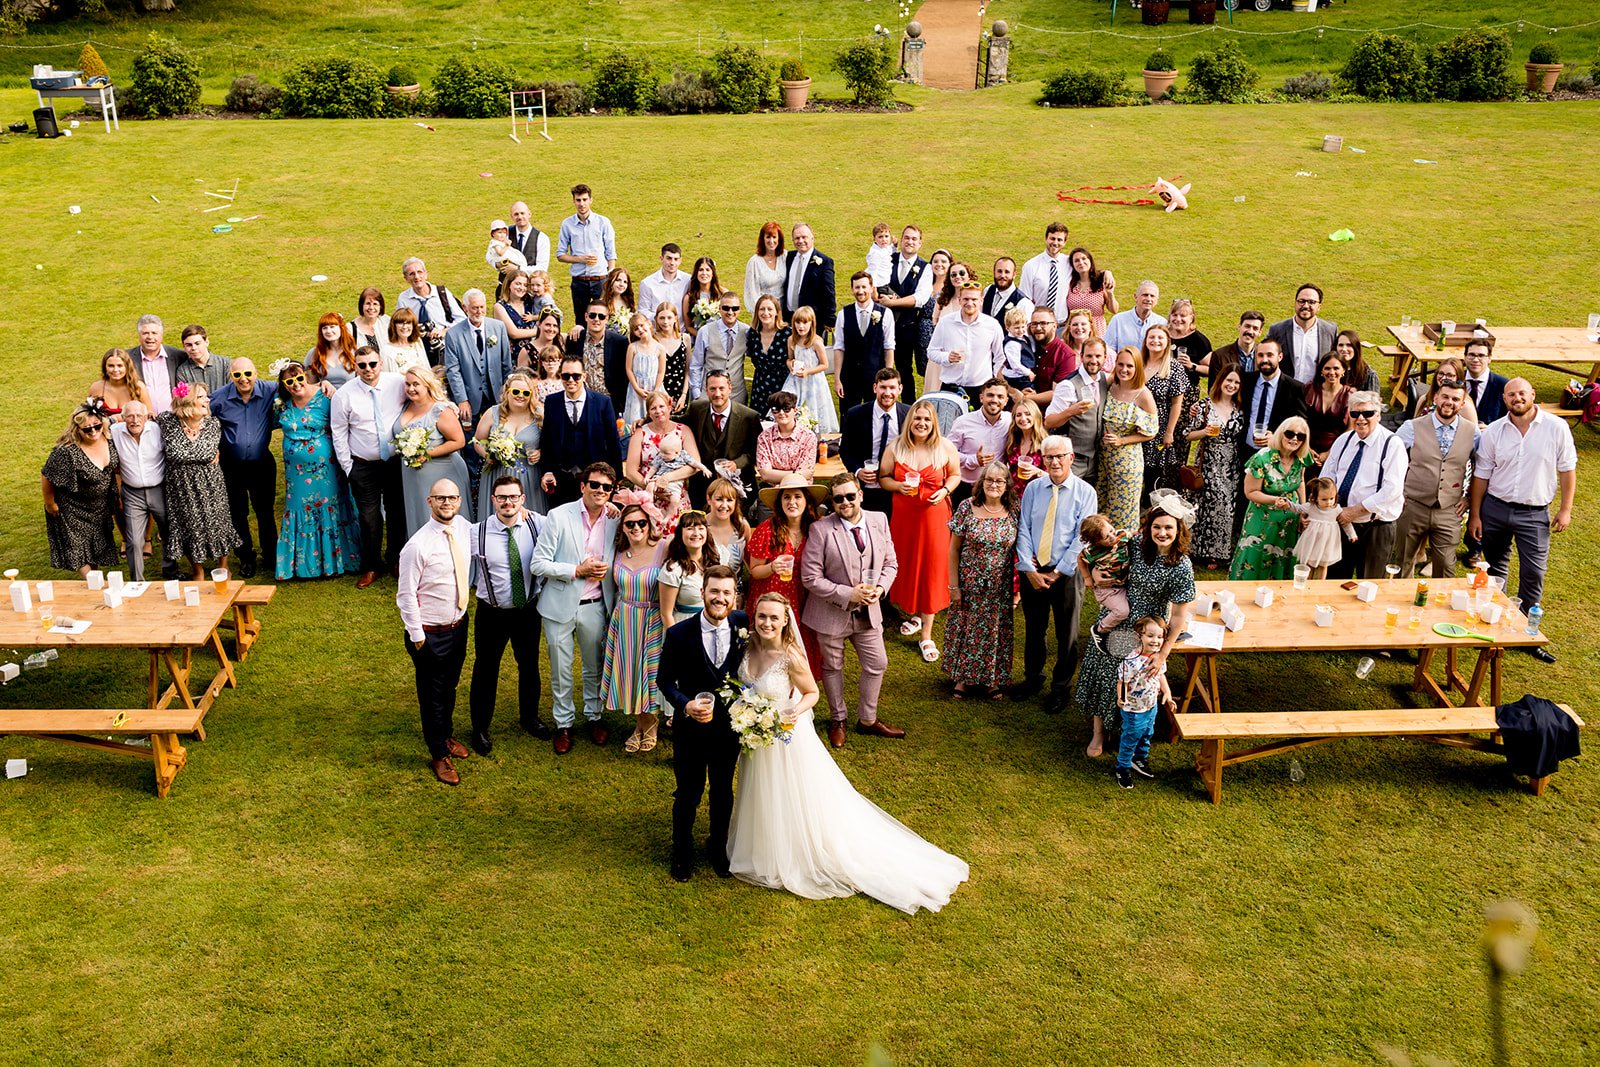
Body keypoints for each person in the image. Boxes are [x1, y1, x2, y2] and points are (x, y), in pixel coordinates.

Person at [725, 592, 969, 914]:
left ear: (786, 621)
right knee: (762, 791)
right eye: (762, 616)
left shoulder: (791, 656)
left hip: (786, 736)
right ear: (753, 617)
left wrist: (793, 711)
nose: (767, 622)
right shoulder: (747, 645)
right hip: (757, 738)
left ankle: (794, 849)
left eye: (774, 617)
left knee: (792, 794)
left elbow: (812, 693)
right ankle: (763, 846)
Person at [1075, 497, 1195, 759]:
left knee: (1137, 681)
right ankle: (1098, 731)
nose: (1162, 533)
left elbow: (1178, 617)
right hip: (1118, 620)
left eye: (1168, 528)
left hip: (1148, 632)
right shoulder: (1136, 546)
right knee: (1107, 674)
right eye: (1156, 527)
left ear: (1178, 530)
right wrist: (1093, 575)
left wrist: (1162, 653)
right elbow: (1096, 553)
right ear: (1148, 528)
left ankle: (1127, 730)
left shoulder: (1181, 566)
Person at [1469, 378, 1576, 664]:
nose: (1517, 398)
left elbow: (1567, 470)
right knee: (1494, 568)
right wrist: (1476, 514)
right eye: (1511, 394)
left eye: (1522, 393)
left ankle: (1528, 633)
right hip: (1496, 507)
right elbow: (1482, 474)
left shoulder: (1556, 428)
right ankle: (1493, 624)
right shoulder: (1494, 431)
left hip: (1534, 512)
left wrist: (1565, 509)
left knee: (1534, 573)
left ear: (1532, 395)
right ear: (1504, 400)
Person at [800, 473, 903, 748]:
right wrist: (849, 594)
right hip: (830, 613)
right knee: (833, 666)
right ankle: (838, 719)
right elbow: (810, 578)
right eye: (838, 499)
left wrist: (880, 589)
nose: (845, 502)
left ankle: (867, 720)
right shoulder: (820, 529)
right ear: (832, 503)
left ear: (861, 494)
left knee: (877, 663)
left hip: (869, 614)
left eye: (850, 496)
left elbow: (891, 563)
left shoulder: (879, 520)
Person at [657, 565, 745, 881]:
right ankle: (681, 851)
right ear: (703, 592)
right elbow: (664, 681)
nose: (719, 598)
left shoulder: (744, 625)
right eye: (714, 591)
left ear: (735, 596)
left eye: (726, 593)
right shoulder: (679, 633)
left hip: (729, 731)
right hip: (691, 731)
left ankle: (718, 848)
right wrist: (685, 705)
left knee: (723, 790)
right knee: (689, 792)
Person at [531, 461, 620, 753]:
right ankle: (564, 723)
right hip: (559, 603)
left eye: (607, 487)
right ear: (583, 486)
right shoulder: (558, 516)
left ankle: (594, 716)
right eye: (594, 485)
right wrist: (576, 570)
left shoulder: (615, 519)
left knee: (594, 666)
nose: (600, 491)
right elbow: (538, 564)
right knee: (561, 669)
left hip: (596, 604)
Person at [396, 478, 475, 786]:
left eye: (452, 498)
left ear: (459, 501)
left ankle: (445, 736)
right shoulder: (417, 546)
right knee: (432, 695)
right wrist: (418, 637)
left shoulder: (464, 529)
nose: (447, 504)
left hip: (458, 625)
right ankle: (438, 754)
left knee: (450, 687)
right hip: (429, 633)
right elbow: (406, 595)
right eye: (440, 498)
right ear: (429, 502)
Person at [1013, 436, 1098, 715]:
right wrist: (1028, 568)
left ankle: (1060, 687)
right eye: (1049, 457)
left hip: (1067, 573)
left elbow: (1082, 537)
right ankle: (1033, 679)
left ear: (1071, 458)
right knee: (1035, 630)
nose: (1054, 462)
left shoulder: (1086, 493)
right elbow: (1023, 528)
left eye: (1060, 456)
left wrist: (1059, 572)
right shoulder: (1033, 489)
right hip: (1035, 571)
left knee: (1067, 633)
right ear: (1042, 460)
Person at [880, 399, 960, 661]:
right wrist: (897, 487)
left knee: (932, 570)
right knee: (908, 566)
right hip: (905, 518)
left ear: (933, 423)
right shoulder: (897, 448)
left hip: (934, 517)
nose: (922, 423)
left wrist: (945, 491)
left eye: (927, 419)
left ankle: (926, 634)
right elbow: (884, 477)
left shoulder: (944, 447)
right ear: (909, 422)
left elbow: (955, 475)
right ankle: (915, 612)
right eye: (917, 418)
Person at [274, 362, 360, 580]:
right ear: (284, 384)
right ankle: (304, 566)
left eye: (299, 378)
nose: (296, 384)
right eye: (289, 381)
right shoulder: (281, 403)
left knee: (331, 506)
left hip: (327, 469)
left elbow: (346, 423)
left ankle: (340, 561)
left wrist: (326, 382)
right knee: (297, 508)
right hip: (297, 473)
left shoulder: (327, 397)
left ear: (306, 376)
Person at [332, 345, 407, 588]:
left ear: (380, 364)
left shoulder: (398, 383)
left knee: (397, 514)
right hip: (363, 466)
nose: (368, 369)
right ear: (355, 366)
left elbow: (424, 396)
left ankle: (396, 559)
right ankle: (372, 566)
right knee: (369, 518)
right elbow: (339, 433)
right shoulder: (345, 394)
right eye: (362, 365)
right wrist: (348, 467)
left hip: (394, 462)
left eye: (372, 364)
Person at [943, 461, 1019, 700]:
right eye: (989, 480)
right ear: (981, 482)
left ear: (1007, 486)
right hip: (969, 582)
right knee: (968, 629)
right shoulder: (967, 507)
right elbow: (953, 549)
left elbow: (1021, 551)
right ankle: (962, 679)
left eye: (999, 481)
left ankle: (990, 679)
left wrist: (1018, 590)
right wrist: (954, 586)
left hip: (1000, 586)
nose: (993, 485)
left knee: (994, 630)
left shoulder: (1014, 511)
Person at [1394, 373, 1476, 579]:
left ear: (1462, 403)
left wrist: (1468, 497)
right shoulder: (1411, 428)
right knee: (1401, 562)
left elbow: (1482, 468)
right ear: (1436, 398)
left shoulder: (1473, 433)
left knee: (1446, 567)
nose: (1450, 402)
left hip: (1449, 510)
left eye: (1456, 399)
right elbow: (1391, 462)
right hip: (1412, 505)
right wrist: (1397, 493)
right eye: (1445, 397)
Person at [156, 382, 241, 577]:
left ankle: (223, 565)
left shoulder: (212, 424)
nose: (207, 400)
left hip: (210, 484)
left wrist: (184, 455)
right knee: (187, 526)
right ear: (188, 401)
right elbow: (196, 454)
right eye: (202, 396)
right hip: (181, 487)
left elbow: (205, 451)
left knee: (218, 522)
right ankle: (198, 570)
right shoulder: (166, 421)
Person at [602, 502, 667, 753]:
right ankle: (639, 725)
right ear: (623, 528)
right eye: (630, 523)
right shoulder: (617, 551)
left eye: (642, 522)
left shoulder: (664, 547)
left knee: (649, 674)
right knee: (629, 672)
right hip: (625, 617)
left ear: (649, 523)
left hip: (652, 618)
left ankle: (650, 724)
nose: (636, 527)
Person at [1322, 390, 1407, 580]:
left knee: (1368, 582)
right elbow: (1327, 477)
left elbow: (1392, 490)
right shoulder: (1343, 441)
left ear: (1378, 414)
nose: (1361, 419)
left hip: (1375, 527)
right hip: (1341, 521)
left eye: (1367, 413)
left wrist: (1355, 511)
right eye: (1355, 414)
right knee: (1334, 578)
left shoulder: (1392, 444)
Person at [210, 359, 279, 578]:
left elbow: (297, 383)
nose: (244, 379)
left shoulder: (270, 390)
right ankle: (246, 557)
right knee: (238, 513)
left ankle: (271, 555)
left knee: (265, 511)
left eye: (248, 373)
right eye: (237, 375)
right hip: (231, 466)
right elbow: (200, 418)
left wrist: (325, 385)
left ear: (256, 373)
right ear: (231, 376)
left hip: (261, 463)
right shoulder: (219, 397)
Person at [747, 473, 826, 665]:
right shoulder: (767, 529)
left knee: (801, 648)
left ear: (806, 500)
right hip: (773, 597)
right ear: (780, 502)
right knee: (773, 648)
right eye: (787, 497)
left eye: (797, 496)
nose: (792, 502)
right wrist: (772, 567)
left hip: (805, 597)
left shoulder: (816, 528)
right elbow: (754, 570)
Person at [392, 365, 474, 540]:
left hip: (442, 472)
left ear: (427, 385)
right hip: (412, 476)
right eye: (407, 384)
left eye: (416, 384)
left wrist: (426, 454)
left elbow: (458, 441)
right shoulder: (404, 406)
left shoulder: (440, 410)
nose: (411, 389)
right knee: (419, 514)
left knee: (442, 517)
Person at [1229, 416, 1313, 581]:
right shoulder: (1262, 458)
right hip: (1262, 520)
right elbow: (1251, 492)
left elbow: (1300, 482)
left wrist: (1303, 509)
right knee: (1255, 557)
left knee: (1284, 557)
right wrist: (1274, 500)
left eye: (1300, 436)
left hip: (1290, 519)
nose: (1294, 439)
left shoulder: (1302, 457)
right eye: (1290, 434)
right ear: (1281, 433)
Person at [1179, 366, 1247, 568]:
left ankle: (1217, 553)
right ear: (1220, 381)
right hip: (1208, 461)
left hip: (1231, 465)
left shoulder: (1240, 408)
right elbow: (1187, 434)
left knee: (1225, 509)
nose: (1231, 385)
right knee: (1205, 507)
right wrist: (1205, 433)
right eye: (1229, 380)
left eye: (1236, 382)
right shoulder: (1204, 406)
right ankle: (1194, 550)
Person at [41, 404, 121, 576]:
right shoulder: (67, 452)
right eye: (87, 429)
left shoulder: (109, 440)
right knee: (78, 550)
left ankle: (95, 585)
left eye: (97, 426)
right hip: (72, 508)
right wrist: (49, 503)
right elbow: (47, 476)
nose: (93, 431)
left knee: (94, 548)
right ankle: (94, 586)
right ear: (77, 429)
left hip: (99, 508)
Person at [110, 401, 180, 582]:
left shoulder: (157, 430)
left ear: (146, 416)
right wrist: (111, 418)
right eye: (129, 416)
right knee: (133, 540)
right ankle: (137, 581)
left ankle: (170, 571)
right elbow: (96, 421)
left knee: (168, 531)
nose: (134, 420)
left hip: (159, 489)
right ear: (123, 418)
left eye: (138, 416)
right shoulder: (115, 431)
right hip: (132, 493)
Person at [540, 355, 622, 507]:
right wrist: (547, 471)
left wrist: (615, 477)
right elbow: (546, 441)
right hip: (562, 478)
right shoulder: (552, 402)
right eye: (566, 376)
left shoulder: (602, 402)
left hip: (594, 480)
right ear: (560, 376)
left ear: (584, 376)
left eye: (576, 376)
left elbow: (612, 441)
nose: (571, 380)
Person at [1099, 347, 1158, 532]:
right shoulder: (1111, 386)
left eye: (1129, 366)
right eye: (1120, 364)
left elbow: (1152, 432)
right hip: (1103, 458)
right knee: (1103, 505)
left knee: (1122, 510)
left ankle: (1123, 553)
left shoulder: (1143, 395)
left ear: (1137, 368)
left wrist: (1122, 441)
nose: (1124, 370)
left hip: (1126, 462)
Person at [1113, 616, 1177, 790]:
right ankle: (1123, 768)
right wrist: (1121, 697)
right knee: (1130, 738)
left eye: (1159, 637)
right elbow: (1122, 682)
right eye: (1150, 636)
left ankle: (1140, 758)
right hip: (1134, 709)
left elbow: (1160, 675)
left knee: (1148, 733)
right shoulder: (1131, 661)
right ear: (1139, 636)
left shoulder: (1158, 658)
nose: (1155, 641)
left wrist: (1168, 693)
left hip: (1151, 705)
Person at [472, 371, 545, 520]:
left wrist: (541, 452)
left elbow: (553, 442)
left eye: (526, 392)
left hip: (528, 476)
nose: (521, 396)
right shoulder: (493, 413)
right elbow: (477, 441)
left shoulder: (539, 414)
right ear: (507, 392)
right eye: (516, 391)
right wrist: (487, 455)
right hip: (496, 473)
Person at [683, 371, 760, 505]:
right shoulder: (697, 409)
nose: (717, 394)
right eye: (712, 389)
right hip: (701, 486)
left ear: (730, 388)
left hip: (736, 486)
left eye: (721, 388)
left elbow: (755, 451)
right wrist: (646, 420)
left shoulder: (749, 416)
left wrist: (736, 463)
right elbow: (677, 423)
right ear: (706, 389)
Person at [840, 368, 908, 516]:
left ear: (900, 389)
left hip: (896, 487)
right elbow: (845, 450)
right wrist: (858, 471)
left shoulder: (909, 415)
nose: (887, 393)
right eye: (883, 387)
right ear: (875, 387)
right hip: (866, 488)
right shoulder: (855, 414)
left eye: (892, 388)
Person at [927, 282, 1006, 407]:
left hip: (980, 389)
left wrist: (995, 381)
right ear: (959, 300)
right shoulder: (945, 323)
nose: (970, 303)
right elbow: (931, 351)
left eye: (974, 299)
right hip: (950, 387)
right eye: (966, 299)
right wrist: (947, 357)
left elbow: (1000, 356)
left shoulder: (992, 325)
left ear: (981, 300)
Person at [1044, 337, 1109, 484]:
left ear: (1105, 357)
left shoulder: (1104, 379)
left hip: (1096, 458)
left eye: (1098, 356)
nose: (1093, 360)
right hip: (1073, 458)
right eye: (1089, 356)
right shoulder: (1068, 385)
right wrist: (1070, 412)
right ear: (1081, 357)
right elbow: (1049, 421)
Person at [878, 225, 935, 387]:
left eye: (914, 239)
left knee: (904, 368)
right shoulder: (888, 259)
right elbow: (875, 281)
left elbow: (921, 298)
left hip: (907, 326)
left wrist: (893, 303)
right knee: (878, 365)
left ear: (920, 243)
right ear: (901, 240)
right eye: (907, 238)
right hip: (881, 323)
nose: (910, 242)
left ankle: (908, 407)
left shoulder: (926, 268)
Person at [831, 271, 895, 411]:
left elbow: (889, 347)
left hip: (875, 375)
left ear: (871, 288)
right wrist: (837, 379)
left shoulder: (885, 314)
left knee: (874, 417)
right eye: (857, 287)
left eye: (864, 287)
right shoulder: (843, 314)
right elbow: (839, 347)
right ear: (852, 289)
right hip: (849, 376)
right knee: (848, 418)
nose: (860, 291)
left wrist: (888, 378)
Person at [1139, 324, 1189, 497]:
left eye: (1160, 338)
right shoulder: (1138, 363)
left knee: (1152, 477)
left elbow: (1177, 404)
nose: (1155, 341)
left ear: (1167, 342)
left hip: (1158, 429)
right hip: (1134, 427)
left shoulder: (1174, 368)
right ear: (1146, 341)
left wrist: (1169, 432)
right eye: (1151, 337)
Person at [555, 183, 617, 321]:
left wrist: (611, 275)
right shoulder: (567, 224)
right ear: (573, 201)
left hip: (600, 280)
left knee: (604, 318)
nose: (581, 204)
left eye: (584, 199)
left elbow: (611, 251)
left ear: (590, 200)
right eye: (578, 200)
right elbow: (560, 255)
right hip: (579, 281)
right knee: (581, 320)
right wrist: (581, 259)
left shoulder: (603, 222)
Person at [1240, 338, 1306, 461]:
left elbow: (1300, 423)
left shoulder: (1295, 388)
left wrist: (1278, 436)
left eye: (1270, 355)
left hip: (1275, 454)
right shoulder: (1246, 381)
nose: (1265, 360)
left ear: (1280, 357)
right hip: (1244, 451)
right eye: (1260, 355)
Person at [948, 379, 1012, 504]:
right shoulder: (963, 422)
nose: (994, 400)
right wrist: (973, 460)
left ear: (1006, 401)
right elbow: (947, 452)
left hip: (997, 489)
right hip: (966, 487)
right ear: (981, 398)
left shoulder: (1010, 421)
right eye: (990, 395)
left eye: (1000, 396)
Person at [396, 257, 463, 365]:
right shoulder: (403, 299)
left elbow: (462, 319)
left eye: (419, 272)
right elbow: (399, 326)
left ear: (426, 274)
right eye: (411, 274)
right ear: (406, 278)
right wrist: (414, 330)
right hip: (419, 352)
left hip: (447, 349)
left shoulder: (442, 293)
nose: (417, 277)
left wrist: (444, 331)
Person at [1077, 514, 1131, 649]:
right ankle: (1100, 630)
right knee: (1122, 611)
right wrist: (1087, 577)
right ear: (1095, 542)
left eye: (1111, 531)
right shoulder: (1092, 551)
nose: (1112, 537)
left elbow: (1135, 534)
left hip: (1122, 584)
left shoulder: (1121, 535)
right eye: (1106, 537)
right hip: (1107, 589)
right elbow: (1080, 559)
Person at [1266, 283, 1338, 384]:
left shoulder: (1330, 330)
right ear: (1295, 303)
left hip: (1316, 393)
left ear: (1319, 306)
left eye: (1311, 302)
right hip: (1285, 392)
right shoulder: (1277, 330)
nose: (1305, 306)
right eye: (1301, 301)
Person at [780, 306, 835, 433]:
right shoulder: (791, 340)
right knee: (793, 405)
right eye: (798, 322)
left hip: (813, 381)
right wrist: (790, 365)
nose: (801, 326)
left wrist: (808, 371)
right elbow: (789, 358)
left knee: (812, 408)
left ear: (812, 323)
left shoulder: (816, 342)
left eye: (805, 323)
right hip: (796, 380)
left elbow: (824, 364)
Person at [689, 293, 751, 405]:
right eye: (726, 308)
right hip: (708, 393)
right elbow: (696, 365)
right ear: (719, 309)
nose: (730, 312)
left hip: (737, 394)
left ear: (740, 309)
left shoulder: (746, 331)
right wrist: (697, 393)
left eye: (735, 308)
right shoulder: (705, 331)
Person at [565, 298, 630, 404]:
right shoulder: (575, 339)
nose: (596, 319)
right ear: (586, 317)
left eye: (601, 316)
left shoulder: (619, 342)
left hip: (610, 401)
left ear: (607, 319)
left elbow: (624, 376)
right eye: (592, 315)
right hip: (581, 400)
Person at [1285, 476, 1348, 580]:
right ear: (1315, 497)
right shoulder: (1311, 506)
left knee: (1323, 565)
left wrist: (1351, 534)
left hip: (1326, 542)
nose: (1328, 502)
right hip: (1312, 542)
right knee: (1309, 563)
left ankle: (1320, 584)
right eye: (1324, 499)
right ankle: (1307, 583)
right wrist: (1288, 504)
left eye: (1332, 498)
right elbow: (1298, 508)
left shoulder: (1336, 509)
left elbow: (1345, 522)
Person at [754, 391, 818, 491]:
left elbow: (806, 472)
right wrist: (796, 474)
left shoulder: (809, 437)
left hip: (800, 490)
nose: (781, 413)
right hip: (771, 492)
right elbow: (765, 474)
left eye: (786, 409)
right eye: (776, 409)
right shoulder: (764, 437)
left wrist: (774, 474)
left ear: (795, 410)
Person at [658, 509, 711, 626]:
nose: (696, 533)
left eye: (701, 528)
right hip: (686, 628)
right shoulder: (673, 570)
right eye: (690, 528)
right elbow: (666, 614)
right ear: (680, 533)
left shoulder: (717, 561)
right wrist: (677, 641)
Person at [1018, 221, 1072, 331]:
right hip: (1039, 327)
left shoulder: (1069, 263)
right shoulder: (1031, 266)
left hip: (1061, 325)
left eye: (1059, 240)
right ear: (1046, 239)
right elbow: (1024, 299)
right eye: (1052, 238)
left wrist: (1106, 273)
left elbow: (1088, 269)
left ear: (1065, 242)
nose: (1055, 243)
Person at [126, 313, 184, 414]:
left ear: (161, 335)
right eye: (145, 333)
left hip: (173, 418)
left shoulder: (177, 355)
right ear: (139, 335)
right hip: (142, 421)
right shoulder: (127, 358)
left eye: (154, 333)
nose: (150, 337)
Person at [782, 222, 835, 333]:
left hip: (811, 322)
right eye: (797, 238)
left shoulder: (824, 262)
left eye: (804, 237)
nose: (800, 241)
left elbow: (829, 292)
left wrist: (829, 319)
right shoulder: (789, 257)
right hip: (788, 320)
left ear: (812, 238)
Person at [1303, 351, 1353, 464]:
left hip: (1336, 450)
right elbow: (1299, 420)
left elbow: (1350, 429)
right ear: (1321, 370)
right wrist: (1306, 448)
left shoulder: (1350, 395)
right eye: (1327, 368)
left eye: (1336, 368)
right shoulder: (1309, 389)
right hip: (1306, 446)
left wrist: (1329, 453)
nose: (1331, 372)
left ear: (1343, 370)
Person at [746, 295, 791, 416]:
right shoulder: (752, 334)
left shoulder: (787, 334)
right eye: (762, 309)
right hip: (759, 387)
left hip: (781, 386)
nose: (766, 313)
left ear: (777, 312)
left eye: (770, 309)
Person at [1197, 309, 1264, 385]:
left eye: (1255, 328)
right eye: (1247, 326)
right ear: (1239, 327)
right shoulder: (1219, 356)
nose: (1250, 331)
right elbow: (1213, 390)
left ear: (1260, 333)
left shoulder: (1266, 356)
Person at [621, 312, 666, 426]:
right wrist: (636, 388)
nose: (640, 329)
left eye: (642, 325)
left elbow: (661, 372)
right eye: (636, 328)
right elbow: (629, 369)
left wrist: (656, 390)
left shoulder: (659, 348)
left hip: (654, 388)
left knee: (655, 417)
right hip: (637, 389)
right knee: (635, 420)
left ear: (649, 324)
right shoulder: (632, 347)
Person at [1165, 298, 1212, 403]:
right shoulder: (1162, 335)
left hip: (1186, 394)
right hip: (1162, 391)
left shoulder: (1199, 340)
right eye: (1174, 315)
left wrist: (1192, 365)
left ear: (1191, 318)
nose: (1178, 319)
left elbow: (1212, 369)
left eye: (1183, 316)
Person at [1102, 280, 1167, 356]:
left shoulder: (1162, 323)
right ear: (1135, 297)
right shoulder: (1118, 320)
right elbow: (1109, 350)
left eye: (1152, 296)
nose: (1149, 299)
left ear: (1157, 300)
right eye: (1145, 295)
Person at [1064, 245, 1117, 336]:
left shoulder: (1101, 282)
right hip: (1076, 332)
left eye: (1084, 258)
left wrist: (1110, 294)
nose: (1081, 262)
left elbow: (1114, 310)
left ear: (1090, 261)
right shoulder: (1069, 284)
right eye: (1076, 261)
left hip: (1097, 331)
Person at [493, 271, 541, 368]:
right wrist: (540, 331)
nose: (522, 288)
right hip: (514, 356)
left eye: (525, 285)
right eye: (518, 284)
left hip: (535, 353)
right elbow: (514, 333)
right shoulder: (500, 306)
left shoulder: (530, 301)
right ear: (509, 285)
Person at [651, 301, 691, 416]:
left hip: (680, 392)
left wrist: (684, 395)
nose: (665, 321)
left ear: (676, 318)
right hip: (659, 391)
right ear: (657, 319)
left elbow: (687, 370)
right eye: (662, 318)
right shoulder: (653, 339)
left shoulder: (685, 338)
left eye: (669, 317)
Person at [89, 348, 151, 420]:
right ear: (105, 367)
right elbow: (89, 416)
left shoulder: (138, 387)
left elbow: (149, 415)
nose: (115, 370)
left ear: (127, 367)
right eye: (111, 366)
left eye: (120, 365)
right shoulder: (96, 388)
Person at [704, 476, 751, 571]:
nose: (724, 505)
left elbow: (752, 564)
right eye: (719, 499)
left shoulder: (742, 526)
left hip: (735, 584)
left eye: (729, 500)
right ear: (709, 499)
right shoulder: (699, 526)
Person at [1460, 337, 1509, 427]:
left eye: (1481, 355)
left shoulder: (1503, 385)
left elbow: (1510, 418)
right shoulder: (1456, 379)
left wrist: (1490, 430)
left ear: (1489, 358)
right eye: (1471, 355)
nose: (1475, 359)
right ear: (1465, 357)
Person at [1003, 398, 1047, 499]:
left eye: (1028, 414)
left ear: (1036, 416)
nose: (1023, 418)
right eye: (1018, 415)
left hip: (1036, 497)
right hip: (1013, 498)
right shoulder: (1012, 442)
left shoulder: (1046, 443)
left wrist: (1037, 471)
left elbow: (1055, 477)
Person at [638, 242, 689, 327]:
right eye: (669, 258)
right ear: (661, 258)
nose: (672, 263)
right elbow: (643, 311)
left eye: (676, 259)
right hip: (657, 333)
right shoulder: (647, 283)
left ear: (680, 261)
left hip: (682, 332)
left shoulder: (688, 280)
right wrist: (660, 317)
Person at [743, 222, 789, 315]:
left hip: (783, 313)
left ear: (779, 239)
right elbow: (752, 293)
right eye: (768, 237)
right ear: (762, 239)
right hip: (764, 313)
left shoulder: (785, 256)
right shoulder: (754, 262)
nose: (771, 241)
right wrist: (764, 313)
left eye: (774, 237)